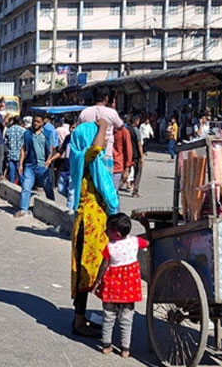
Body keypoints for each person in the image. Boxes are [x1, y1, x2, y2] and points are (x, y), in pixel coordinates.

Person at [69, 119, 119, 338]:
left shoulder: (92, 165)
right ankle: (79, 322)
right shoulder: (83, 158)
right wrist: (101, 127)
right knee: (85, 273)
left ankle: (85, 319)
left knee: (99, 270)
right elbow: (96, 148)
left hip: (98, 226)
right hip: (87, 227)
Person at [92, 213, 148, 358]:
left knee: (108, 317)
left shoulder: (109, 248)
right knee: (126, 319)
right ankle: (125, 349)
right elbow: (148, 242)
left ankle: (106, 345)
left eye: (107, 229)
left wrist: (97, 282)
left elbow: (103, 267)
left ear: (116, 234)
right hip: (129, 290)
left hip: (112, 289)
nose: (105, 231)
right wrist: (146, 225)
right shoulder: (135, 242)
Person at [15, 114, 55, 218]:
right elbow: (23, 149)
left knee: (47, 187)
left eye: (38, 121)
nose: (35, 123)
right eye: (34, 121)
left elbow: (51, 149)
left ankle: (53, 206)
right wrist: (20, 164)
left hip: (43, 166)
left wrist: (49, 160)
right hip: (30, 165)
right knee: (26, 187)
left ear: (42, 123)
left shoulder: (48, 134)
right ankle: (23, 209)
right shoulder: (27, 134)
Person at [79, 87, 124, 171]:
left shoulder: (84, 113)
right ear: (106, 98)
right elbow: (120, 126)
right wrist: (113, 107)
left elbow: (78, 130)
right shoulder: (111, 112)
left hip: (88, 154)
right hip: (106, 154)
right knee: (105, 182)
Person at [46, 120, 76, 209]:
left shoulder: (80, 139)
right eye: (71, 127)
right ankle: (74, 201)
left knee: (71, 193)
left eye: (74, 128)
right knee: (60, 189)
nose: (72, 130)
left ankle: (69, 212)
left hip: (74, 169)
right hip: (65, 168)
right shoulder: (68, 138)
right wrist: (51, 159)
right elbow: (61, 151)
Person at [5, 116, 26, 184]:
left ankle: (12, 185)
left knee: (11, 172)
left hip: (10, 154)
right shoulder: (23, 131)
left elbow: (5, 142)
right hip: (20, 155)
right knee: (20, 171)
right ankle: (23, 186)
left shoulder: (8, 130)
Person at [128, 116, 145, 198]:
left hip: (128, 154)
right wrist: (142, 157)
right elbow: (139, 145)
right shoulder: (136, 131)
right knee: (138, 172)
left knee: (126, 171)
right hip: (135, 155)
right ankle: (135, 191)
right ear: (136, 121)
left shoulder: (126, 129)